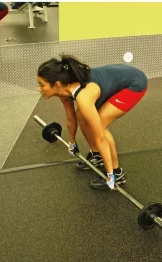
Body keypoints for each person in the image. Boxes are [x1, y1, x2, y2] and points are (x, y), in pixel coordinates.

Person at [36, 55, 148, 190]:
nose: (39, 89)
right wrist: (72, 142)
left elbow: (100, 137)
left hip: (133, 83)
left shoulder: (83, 96)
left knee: (99, 125)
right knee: (81, 116)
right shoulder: (63, 91)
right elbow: (71, 118)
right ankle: (97, 155)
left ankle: (117, 173)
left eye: (42, 85)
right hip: (110, 80)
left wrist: (110, 174)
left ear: (57, 84)